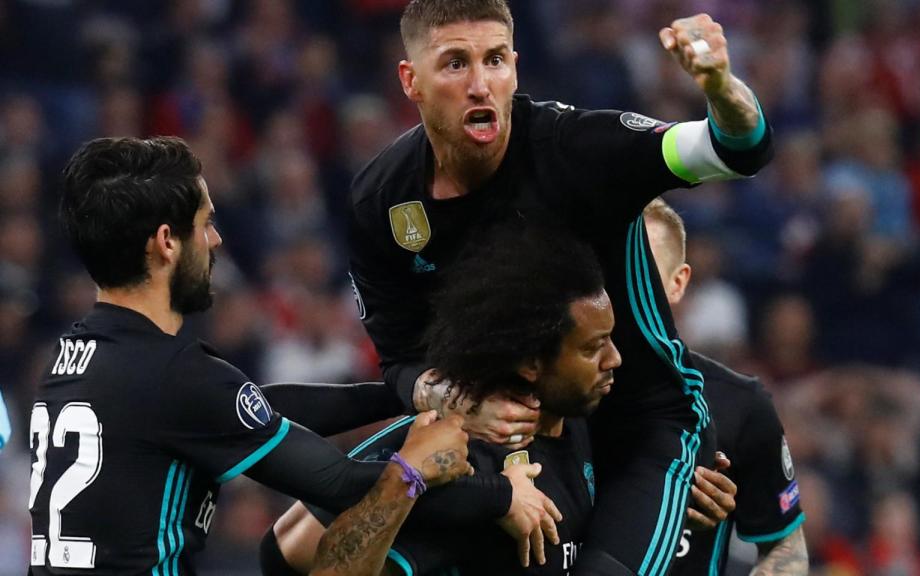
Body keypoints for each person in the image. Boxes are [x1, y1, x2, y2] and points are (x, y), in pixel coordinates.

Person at [346, 1, 773, 573]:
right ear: (411, 81)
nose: (480, 85)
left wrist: (720, 86)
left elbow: (735, 148)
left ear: (516, 67)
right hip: (520, 433)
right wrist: (455, 400)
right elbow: (399, 358)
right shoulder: (382, 201)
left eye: (495, 60)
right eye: (454, 64)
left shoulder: (576, 149)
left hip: (641, 428)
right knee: (301, 543)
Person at [27, 136, 473, 575]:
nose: (216, 240)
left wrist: (403, 393)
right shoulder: (174, 374)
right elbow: (339, 484)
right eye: (204, 224)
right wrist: (435, 470)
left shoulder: (70, 359)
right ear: (166, 242)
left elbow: (250, 406)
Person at [271, 224, 618, 575]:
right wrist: (490, 496)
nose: (614, 358)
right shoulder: (459, 446)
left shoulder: (581, 418)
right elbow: (289, 547)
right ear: (531, 362)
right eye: (592, 348)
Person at [643, 198, 808, 576]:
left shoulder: (740, 405)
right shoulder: (553, 395)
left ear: (678, 282)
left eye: (645, 271)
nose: (628, 286)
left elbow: (784, 545)